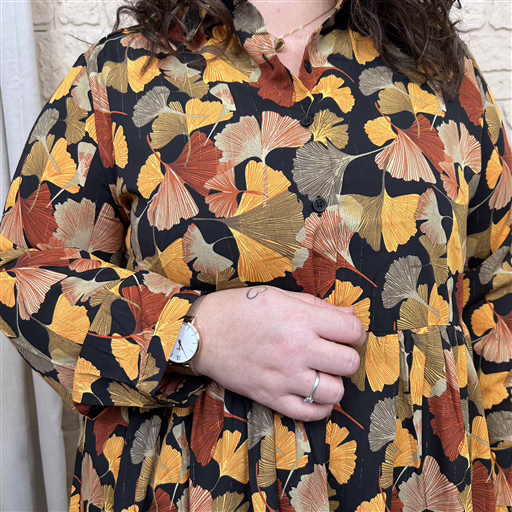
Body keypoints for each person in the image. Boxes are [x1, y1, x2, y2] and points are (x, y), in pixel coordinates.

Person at [0, 0, 511, 509]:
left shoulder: (440, 68)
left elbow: (500, 297)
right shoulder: (121, 72)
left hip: (425, 486)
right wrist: (191, 333)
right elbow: (20, 274)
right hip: (192, 488)